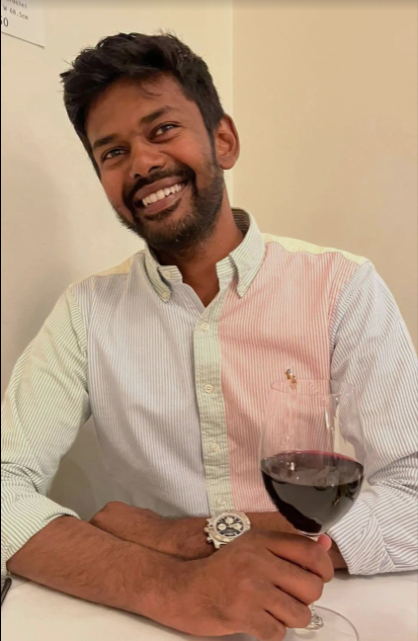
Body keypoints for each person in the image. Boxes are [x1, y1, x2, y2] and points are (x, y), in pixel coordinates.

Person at [1, 32, 417, 640]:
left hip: (330, 609)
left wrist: (184, 534)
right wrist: (168, 583)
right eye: (113, 152)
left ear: (224, 140)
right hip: (153, 622)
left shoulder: (342, 288)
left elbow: (414, 493)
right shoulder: (86, 312)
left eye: (163, 129)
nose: (142, 163)